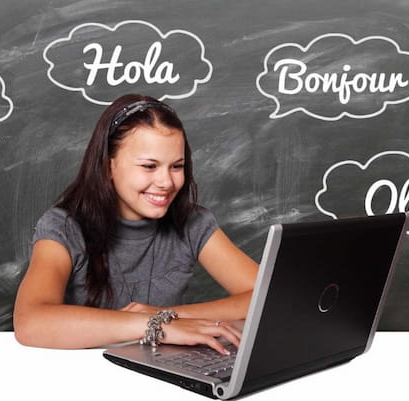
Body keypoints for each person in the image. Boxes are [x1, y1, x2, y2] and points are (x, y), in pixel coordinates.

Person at [13, 94, 259, 355]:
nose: (166, 182)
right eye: (149, 166)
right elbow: (30, 321)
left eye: (176, 166)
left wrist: (169, 316)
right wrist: (154, 325)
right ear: (108, 166)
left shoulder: (193, 223)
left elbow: (267, 295)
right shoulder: (63, 226)